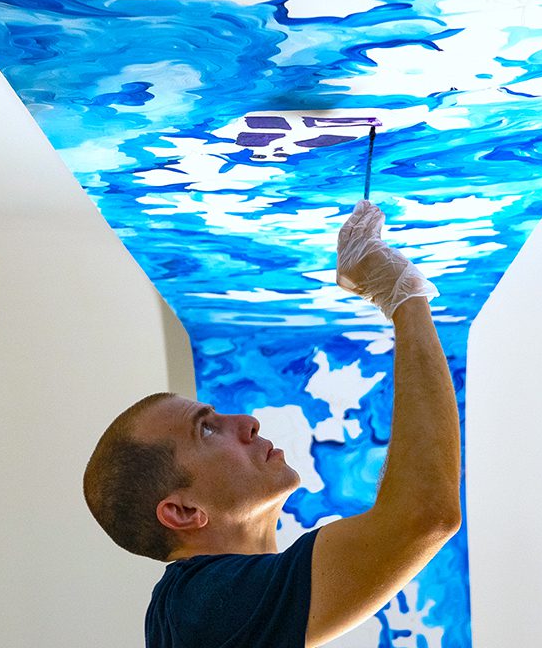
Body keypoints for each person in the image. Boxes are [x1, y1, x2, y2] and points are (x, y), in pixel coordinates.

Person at [83, 200, 462, 647]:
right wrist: (404, 298)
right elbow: (422, 515)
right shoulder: (209, 605)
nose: (247, 421)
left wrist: (405, 297)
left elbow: (420, 517)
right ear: (183, 511)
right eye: (205, 429)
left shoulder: (204, 610)